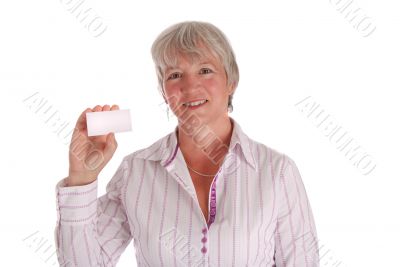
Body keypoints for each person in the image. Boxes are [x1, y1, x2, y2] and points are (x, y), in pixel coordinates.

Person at [54, 21, 320, 267]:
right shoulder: (135, 172)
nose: (190, 86)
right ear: (163, 91)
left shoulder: (277, 172)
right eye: (175, 75)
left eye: (205, 70)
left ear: (232, 81)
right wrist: (82, 177)